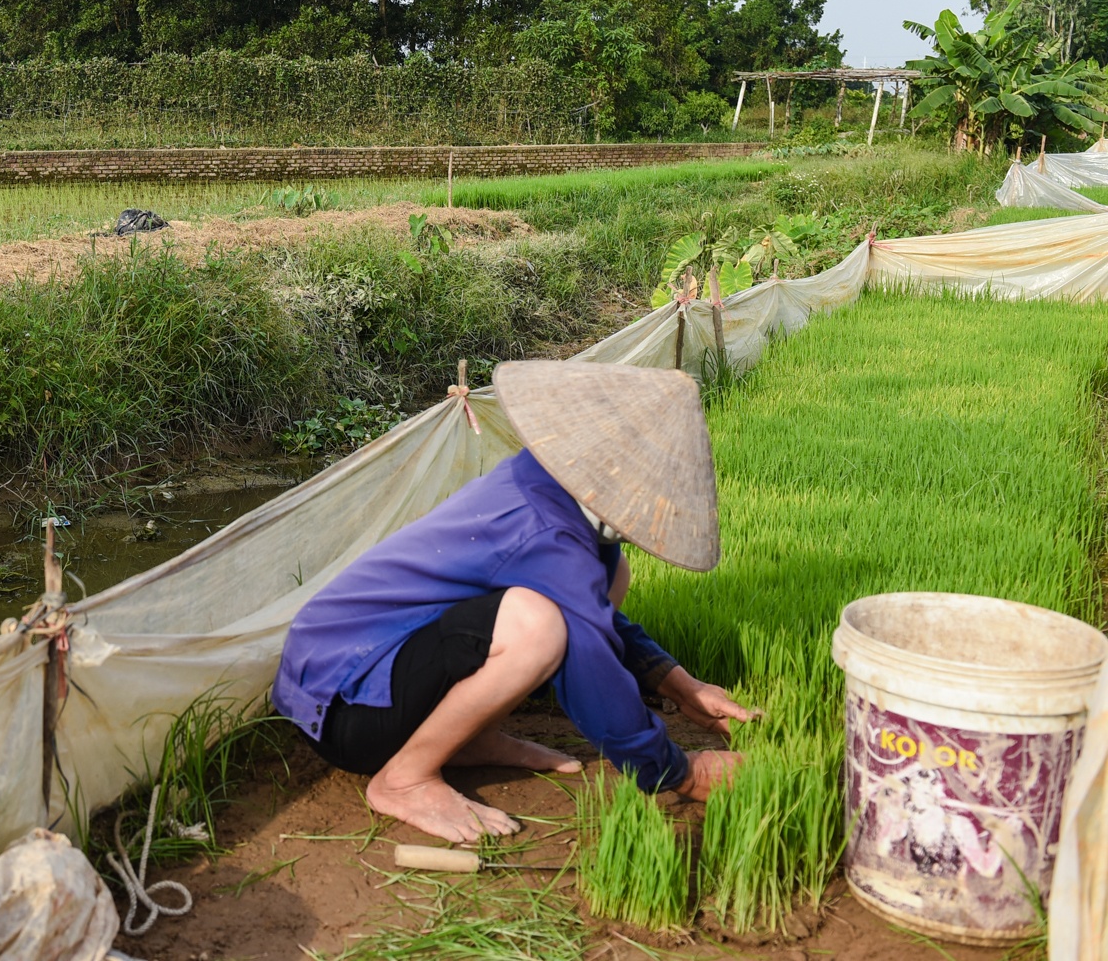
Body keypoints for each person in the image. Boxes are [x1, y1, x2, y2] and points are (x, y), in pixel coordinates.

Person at [272, 359, 758, 843]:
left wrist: (680, 685)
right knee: (537, 627)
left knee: (608, 576)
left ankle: (465, 737)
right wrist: (677, 772)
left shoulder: (551, 486)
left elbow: (594, 611)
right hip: (340, 708)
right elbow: (589, 661)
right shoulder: (546, 529)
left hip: (376, 673)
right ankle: (405, 779)